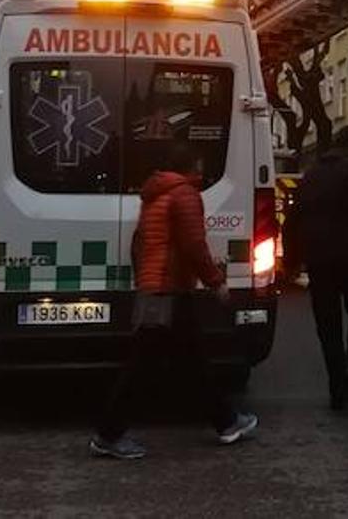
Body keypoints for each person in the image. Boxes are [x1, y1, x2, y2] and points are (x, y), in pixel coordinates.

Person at [90, 141, 258, 459]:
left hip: (158, 287)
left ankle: (227, 421)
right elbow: (194, 243)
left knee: (192, 360)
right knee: (143, 366)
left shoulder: (155, 194)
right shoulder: (184, 194)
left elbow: (141, 242)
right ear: (192, 166)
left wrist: (146, 279)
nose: (202, 170)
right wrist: (216, 282)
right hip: (168, 289)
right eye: (199, 164)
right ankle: (108, 434)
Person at [283, 126, 348, 410]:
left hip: (319, 260)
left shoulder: (311, 174)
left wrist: (291, 260)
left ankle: (337, 388)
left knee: (328, 324)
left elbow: (292, 219)